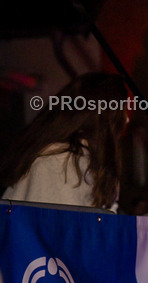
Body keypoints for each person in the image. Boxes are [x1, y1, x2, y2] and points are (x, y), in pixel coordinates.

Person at [1, 73, 127, 210]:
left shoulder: (77, 162)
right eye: (121, 112)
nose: (126, 120)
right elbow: (57, 222)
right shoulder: (59, 163)